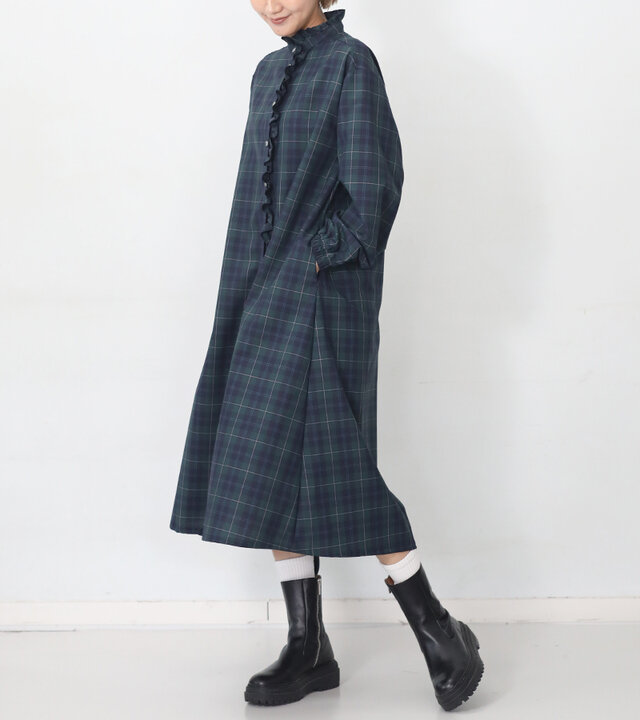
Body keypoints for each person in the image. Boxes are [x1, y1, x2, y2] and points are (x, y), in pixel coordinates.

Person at [169, 0, 484, 710]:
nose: (271, 4)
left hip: (323, 296)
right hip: (260, 292)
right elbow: (252, 197)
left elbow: (375, 186)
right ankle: (307, 645)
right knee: (267, 461)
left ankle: (438, 629)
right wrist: (251, 284)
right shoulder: (265, 73)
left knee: (338, 463)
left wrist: (317, 259)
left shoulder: (352, 64)